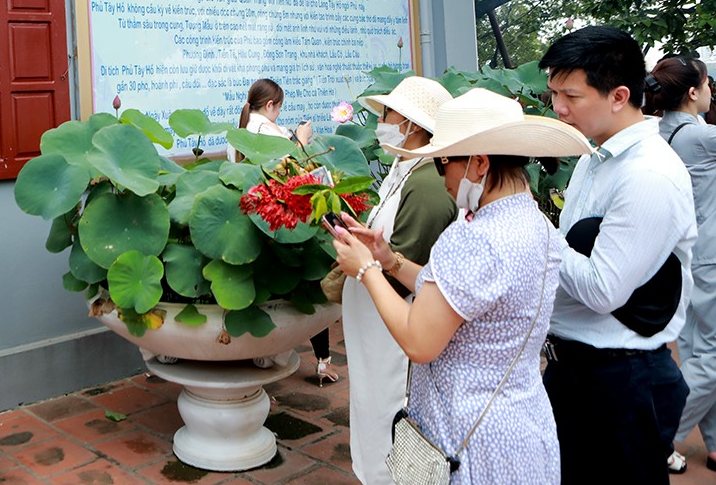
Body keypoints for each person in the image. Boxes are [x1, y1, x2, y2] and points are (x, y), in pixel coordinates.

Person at [332, 87, 591, 483]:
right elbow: (457, 294)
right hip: (521, 424)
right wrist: (390, 260)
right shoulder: (535, 223)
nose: (443, 179)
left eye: (443, 164)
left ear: (478, 163)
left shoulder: (473, 237)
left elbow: (419, 342)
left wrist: (366, 269)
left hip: (465, 436)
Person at [539, 26, 696, 484]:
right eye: (553, 94)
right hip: (576, 370)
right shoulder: (592, 158)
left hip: (621, 383)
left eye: (570, 95)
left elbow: (602, 288)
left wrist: (534, 231)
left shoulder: (648, 174)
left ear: (619, 95)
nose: (559, 109)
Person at [342, 76, 457, 485]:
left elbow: (408, 273)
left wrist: (359, 264)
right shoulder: (403, 169)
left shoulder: (427, 184)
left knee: (392, 416)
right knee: (372, 410)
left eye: (389, 114)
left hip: (396, 328)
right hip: (373, 325)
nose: (382, 121)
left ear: (412, 124)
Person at [229, 79, 336, 381]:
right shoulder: (265, 132)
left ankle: (277, 354)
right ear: (272, 105)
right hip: (280, 215)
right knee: (309, 278)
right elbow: (295, 171)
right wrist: (301, 139)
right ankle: (310, 358)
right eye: (280, 107)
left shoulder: (241, 131)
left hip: (256, 214)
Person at [644, 55, 716, 474]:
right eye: (708, 84)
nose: (711, 92)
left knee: (696, 352)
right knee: (710, 356)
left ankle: (714, 445)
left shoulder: (659, 131)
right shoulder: (700, 138)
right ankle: (662, 436)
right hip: (709, 256)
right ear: (693, 92)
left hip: (681, 257)